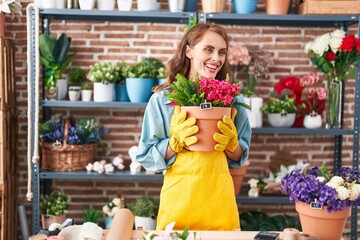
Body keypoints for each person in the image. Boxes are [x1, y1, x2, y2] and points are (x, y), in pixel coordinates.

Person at [136, 23, 251, 231]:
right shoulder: (162, 100)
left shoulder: (232, 100)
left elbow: (239, 156)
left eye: (222, 52)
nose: (216, 58)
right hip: (178, 202)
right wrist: (174, 143)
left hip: (219, 203)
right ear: (188, 51)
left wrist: (231, 144)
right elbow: (146, 156)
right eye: (209, 49)